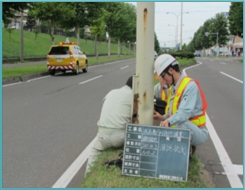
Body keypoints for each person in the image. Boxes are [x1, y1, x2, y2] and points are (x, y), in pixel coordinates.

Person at [153, 54, 209, 147]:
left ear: (171, 70)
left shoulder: (190, 86)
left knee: (180, 123)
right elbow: (173, 113)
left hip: (198, 131)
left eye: (163, 76)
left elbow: (184, 113)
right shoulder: (174, 87)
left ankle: (184, 151)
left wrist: (168, 121)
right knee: (173, 123)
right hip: (186, 127)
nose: (163, 80)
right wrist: (162, 118)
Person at [85, 76, 133, 174]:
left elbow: (104, 103)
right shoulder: (133, 95)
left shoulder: (112, 92)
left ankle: (87, 175)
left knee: (94, 151)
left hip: (102, 134)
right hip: (120, 137)